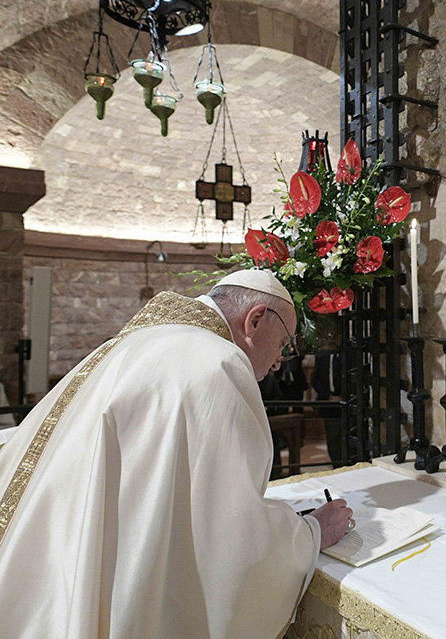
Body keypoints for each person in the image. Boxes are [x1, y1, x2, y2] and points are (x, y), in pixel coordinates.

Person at [0, 269, 354, 639]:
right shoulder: (217, 363)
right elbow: (229, 534)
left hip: (46, 571)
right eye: (283, 343)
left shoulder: (138, 341)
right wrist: (312, 530)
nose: (280, 361)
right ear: (255, 319)